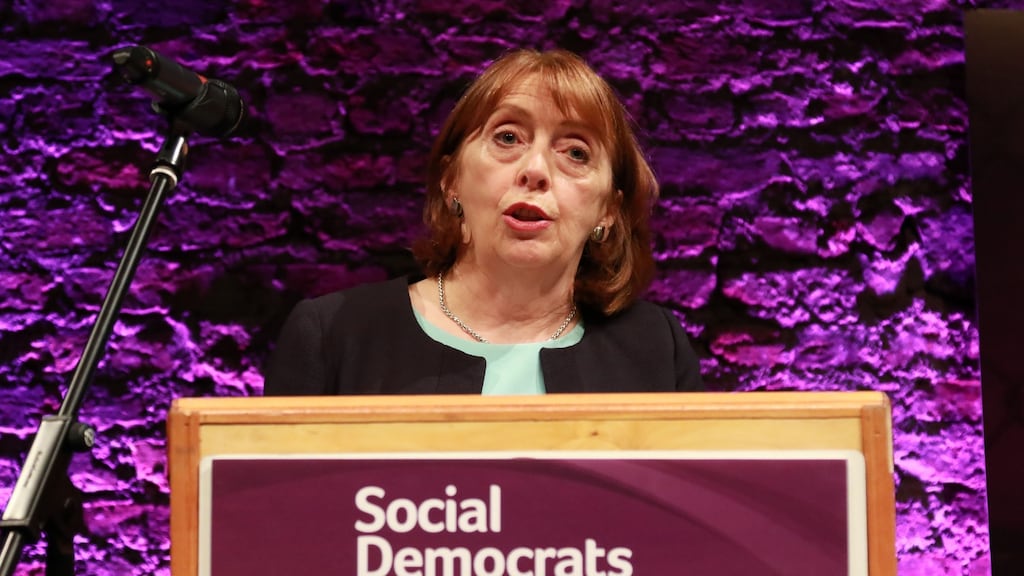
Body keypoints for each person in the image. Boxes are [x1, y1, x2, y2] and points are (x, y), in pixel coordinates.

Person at [264, 48, 702, 396]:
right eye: (508, 137)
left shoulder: (656, 349)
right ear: (451, 179)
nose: (536, 170)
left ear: (607, 210)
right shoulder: (333, 335)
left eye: (576, 152)